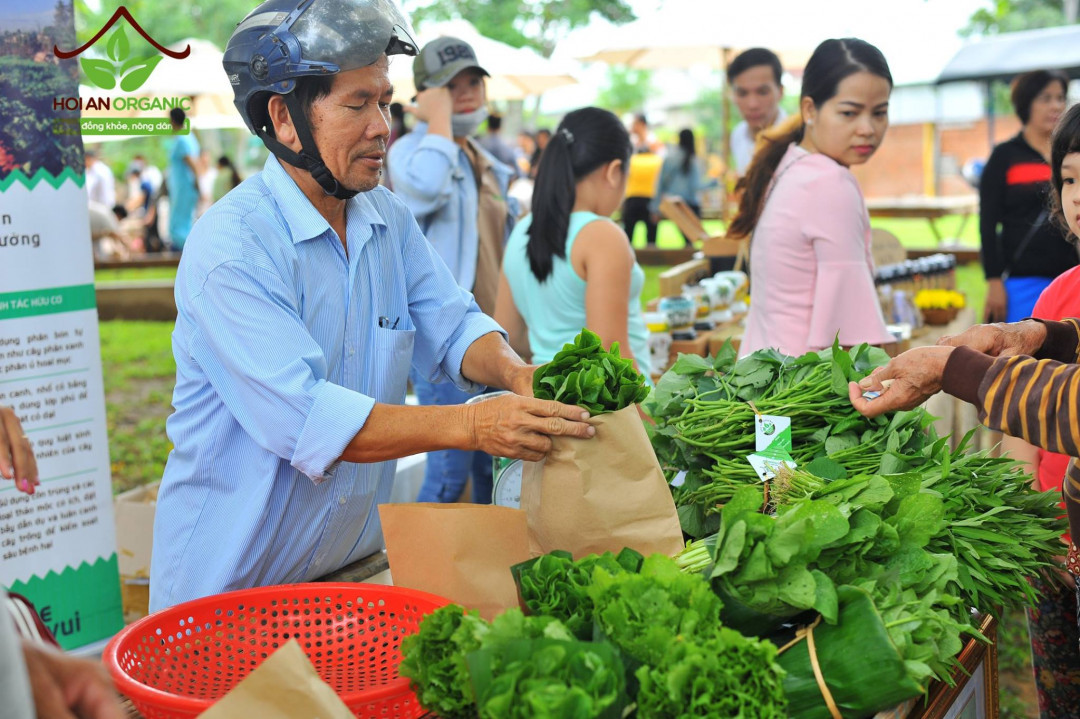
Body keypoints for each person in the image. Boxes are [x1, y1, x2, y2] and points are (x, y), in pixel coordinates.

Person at [150, 0, 593, 611]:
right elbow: (308, 418)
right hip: (228, 598)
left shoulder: (386, 218)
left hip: (346, 581)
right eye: (357, 104)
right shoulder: (233, 249)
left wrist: (517, 374)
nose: (383, 125)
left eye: (384, 101)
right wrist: (473, 425)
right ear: (283, 118)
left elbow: (455, 322)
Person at [857, 104, 1080, 712]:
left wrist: (950, 368)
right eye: (1070, 178)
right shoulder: (1062, 295)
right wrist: (1033, 336)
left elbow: (1070, 405)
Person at [388, 36, 518, 505]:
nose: (465, 92)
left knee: (495, 473)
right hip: (444, 344)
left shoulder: (481, 159)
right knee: (448, 476)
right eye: (449, 85)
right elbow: (423, 188)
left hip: (488, 337)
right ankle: (411, 574)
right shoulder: (409, 153)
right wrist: (437, 119)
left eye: (472, 81)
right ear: (425, 95)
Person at [728, 38, 895, 358]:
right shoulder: (830, 181)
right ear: (809, 110)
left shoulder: (788, 162)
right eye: (849, 113)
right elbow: (852, 339)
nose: (867, 128)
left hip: (765, 378)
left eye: (879, 113)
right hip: (807, 389)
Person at [495, 107, 652, 381]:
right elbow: (612, 356)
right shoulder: (602, 235)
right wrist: (651, 423)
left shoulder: (522, 231)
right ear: (615, 171)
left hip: (550, 405)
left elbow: (511, 336)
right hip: (611, 417)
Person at [980, 70, 1075, 323]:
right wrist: (993, 281)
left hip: (1071, 280)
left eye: (1060, 97)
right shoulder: (1005, 156)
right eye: (1045, 98)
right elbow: (987, 224)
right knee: (1024, 359)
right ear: (1026, 104)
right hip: (1022, 282)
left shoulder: (1070, 155)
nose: (1056, 105)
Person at [649, 127, 718, 241]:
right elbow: (696, 186)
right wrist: (714, 182)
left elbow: (660, 184)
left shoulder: (670, 158)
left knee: (689, 242)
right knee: (695, 241)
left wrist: (654, 208)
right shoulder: (694, 160)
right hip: (690, 206)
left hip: (674, 206)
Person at [729, 48, 787, 176]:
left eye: (762, 92)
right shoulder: (738, 135)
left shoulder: (796, 139)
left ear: (781, 92)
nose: (752, 104)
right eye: (742, 93)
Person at [165, 107, 201, 250]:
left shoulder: (181, 139)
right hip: (184, 188)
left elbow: (192, 163)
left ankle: (186, 252)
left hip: (184, 188)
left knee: (178, 224)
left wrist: (197, 183)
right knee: (185, 221)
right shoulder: (189, 137)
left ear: (172, 120)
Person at [622, 123, 662, 247]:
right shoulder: (657, 161)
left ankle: (626, 251)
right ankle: (651, 255)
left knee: (628, 233)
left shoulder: (632, 161)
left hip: (632, 199)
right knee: (651, 234)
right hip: (650, 199)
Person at [478, 113, 520, 179]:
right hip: (501, 183)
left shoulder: (478, 145)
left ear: (488, 127)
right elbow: (518, 172)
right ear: (500, 128)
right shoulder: (507, 147)